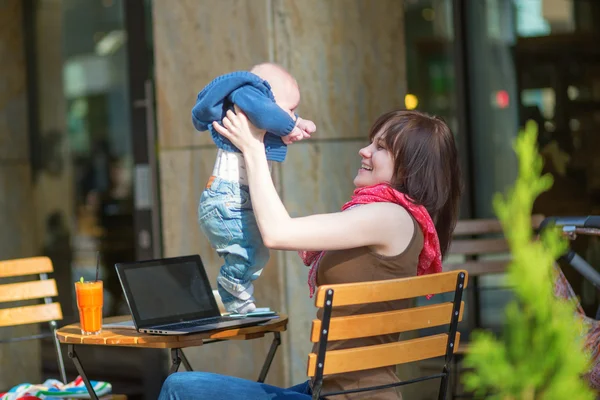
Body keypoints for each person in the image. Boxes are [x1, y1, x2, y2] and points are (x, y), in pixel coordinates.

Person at [160, 108, 462, 400]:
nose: (364, 151)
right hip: (328, 388)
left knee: (180, 387)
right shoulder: (394, 218)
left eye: (380, 147)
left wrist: (252, 149)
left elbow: (278, 232)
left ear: (409, 166)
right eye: (371, 141)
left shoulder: (389, 217)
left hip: (348, 396)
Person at [192, 63, 317, 314]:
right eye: (290, 109)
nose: (291, 115)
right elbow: (267, 113)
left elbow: (272, 117)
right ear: (266, 95)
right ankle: (233, 291)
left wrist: (297, 123)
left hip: (233, 198)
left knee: (256, 252)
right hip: (226, 198)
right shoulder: (247, 95)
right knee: (250, 253)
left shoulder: (256, 114)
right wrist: (289, 125)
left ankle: (235, 293)